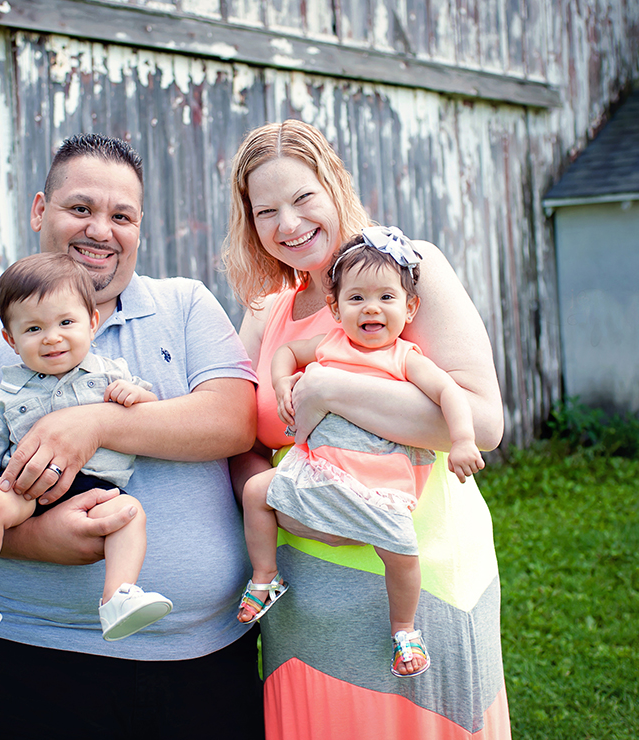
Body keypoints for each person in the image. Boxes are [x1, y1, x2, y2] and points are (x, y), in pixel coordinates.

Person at [0, 133, 261, 739]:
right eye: (81, 208)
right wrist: (41, 539)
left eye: (121, 215)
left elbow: (233, 420)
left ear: (139, 228)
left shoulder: (184, 306)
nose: (101, 229)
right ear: (41, 210)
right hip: (24, 655)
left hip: (199, 661)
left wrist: (94, 422)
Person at [222, 119, 512, 738]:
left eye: (303, 198)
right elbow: (240, 438)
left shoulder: (407, 269)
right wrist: (277, 502)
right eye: (266, 210)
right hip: (303, 589)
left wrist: (333, 390)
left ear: (334, 185)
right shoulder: (267, 312)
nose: (289, 224)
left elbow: (483, 422)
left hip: (412, 578)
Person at [237, 229, 486, 680]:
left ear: (409, 308)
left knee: (402, 556)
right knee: (256, 491)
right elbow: (288, 352)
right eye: (356, 298)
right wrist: (280, 382)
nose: (371, 307)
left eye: (386, 297)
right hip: (318, 473)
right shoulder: (331, 343)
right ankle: (264, 576)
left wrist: (464, 440)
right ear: (336, 309)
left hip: (379, 488)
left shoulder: (404, 357)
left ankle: (404, 630)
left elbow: (450, 392)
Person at [0, 252, 171, 652]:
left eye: (66, 322)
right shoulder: (5, 397)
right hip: (24, 490)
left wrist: (136, 395)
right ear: (10, 340)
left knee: (129, 516)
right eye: (34, 328)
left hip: (96, 489)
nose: (52, 337)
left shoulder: (109, 374)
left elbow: (152, 416)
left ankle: (118, 596)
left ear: (92, 323)